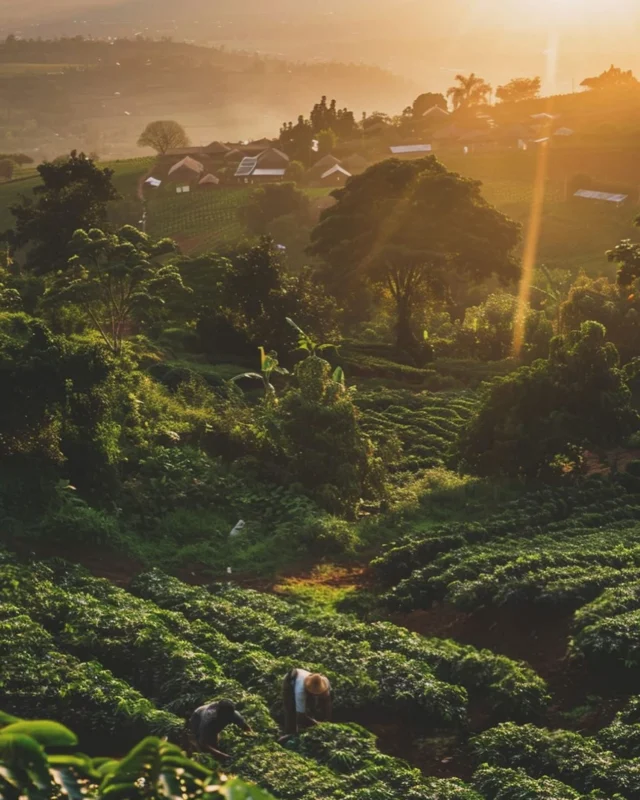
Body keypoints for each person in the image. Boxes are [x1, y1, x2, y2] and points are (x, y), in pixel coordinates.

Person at [187, 699, 253, 760]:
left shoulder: (234, 714)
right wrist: (221, 754)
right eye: (225, 715)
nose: (227, 717)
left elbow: (246, 728)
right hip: (197, 716)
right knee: (198, 741)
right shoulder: (208, 719)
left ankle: (215, 748)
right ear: (219, 712)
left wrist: (253, 737)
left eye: (229, 715)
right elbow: (203, 743)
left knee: (214, 739)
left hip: (213, 722)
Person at [279, 668, 332, 742]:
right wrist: (316, 724)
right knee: (290, 709)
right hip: (289, 682)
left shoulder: (324, 682)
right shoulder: (300, 690)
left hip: (303, 678)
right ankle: (289, 733)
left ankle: (308, 724)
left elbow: (327, 702)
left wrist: (327, 721)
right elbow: (300, 715)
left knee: (312, 705)